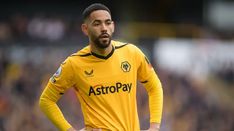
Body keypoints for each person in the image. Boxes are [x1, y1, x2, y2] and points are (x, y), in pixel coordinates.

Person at [39, 3, 163, 131]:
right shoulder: (74, 64)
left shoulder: (132, 53)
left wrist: (154, 126)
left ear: (113, 26)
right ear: (85, 29)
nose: (104, 28)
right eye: (97, 24)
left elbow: (155, 86)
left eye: (107, 23)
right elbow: (46, 100)